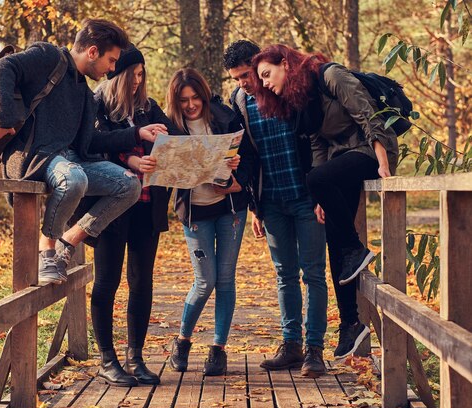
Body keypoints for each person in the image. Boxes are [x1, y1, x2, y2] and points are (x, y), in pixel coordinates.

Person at [0, 19, 167, 283]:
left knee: (129, 184)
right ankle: (46, 250)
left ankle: (67, 243)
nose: (112, 69)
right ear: (92, 52)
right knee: (74, 178)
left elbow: (92, 142)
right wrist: (4, 119)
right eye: (111, 61)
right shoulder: (49, 57)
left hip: (71, 162)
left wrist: (136, 134)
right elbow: (1, 67)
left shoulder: (84, 93)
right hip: (34, 157)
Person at [252, 44, 398, 359]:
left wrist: (383, 161)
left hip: (369, 150)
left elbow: (367, 113)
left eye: (266, 75)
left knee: (322, 194)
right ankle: (351, 325)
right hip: (339, 162)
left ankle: (357, 248)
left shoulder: (330, 75)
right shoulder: (303, 99)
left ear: (285, 64)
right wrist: (320, 196)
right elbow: (319, 144)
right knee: (335, 240)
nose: (264, 84)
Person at [223, 40, 327, 377]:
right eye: (236, 78)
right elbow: (249, 159)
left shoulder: (289, 91)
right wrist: (255, 206)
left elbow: (316, 140)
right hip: (272, 202)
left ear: (257, 66)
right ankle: (291, 345)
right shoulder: (240, 103)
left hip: (306, 199)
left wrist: (321, 193)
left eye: (244, 75)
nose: (242, 83)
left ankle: (315, 350)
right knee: (285, 275)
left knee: (312, 273)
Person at [91, 44, 180, 387]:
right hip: (112, 207)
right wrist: (129, 160)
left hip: (147, 205)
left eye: (142, 75)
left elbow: (174, 140)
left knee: (141, 281)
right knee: (107, 280)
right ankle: (107, 359)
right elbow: (92, 144)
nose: (138, 81)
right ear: (117, 73)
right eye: (133, 74)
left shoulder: (149, 107)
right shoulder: (98, 105)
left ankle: (135, 357)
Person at [164, 68, 256, 376]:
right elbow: (165, 171)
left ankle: (218, 350)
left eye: (196, 99)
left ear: (204, 96)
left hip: (229, 208)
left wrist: (237, 173)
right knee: (205, 281)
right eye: (184, 100)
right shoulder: (170, 126)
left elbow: (248, 158)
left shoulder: (224, 117)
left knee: (226, 279)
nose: (191, 105)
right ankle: (182, 341)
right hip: (195, 212)